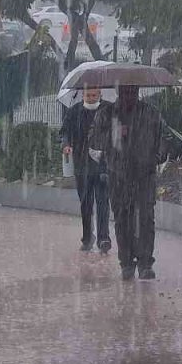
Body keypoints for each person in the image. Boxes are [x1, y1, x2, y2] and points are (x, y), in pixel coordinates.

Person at [89, 86, 176, 280]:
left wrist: (158, 156)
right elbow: (94, 140)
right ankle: (126, 263)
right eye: (126, 92)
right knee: (122, 219)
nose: (130, 97)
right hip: (118, 176)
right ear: (119, 91)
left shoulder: (151, 113)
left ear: (137, 92)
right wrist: (116, 133)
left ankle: (145, 263)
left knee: (145, 218)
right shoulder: (106, 114)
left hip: (145, 175)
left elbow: (165, 136)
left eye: (133, 92)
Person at [61, 87, 112, 252]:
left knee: (103, 203)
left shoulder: (109, 110)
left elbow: (116, 134)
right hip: (82, 165)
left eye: (94, 95)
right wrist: (66, 145)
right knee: (86, 203)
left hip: (103, 165)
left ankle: (104, 239)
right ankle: (88, 237)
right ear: (82, 95)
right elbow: (64, 133)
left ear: (100, 95)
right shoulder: (74, 112)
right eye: (87, 95)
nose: (90, 98)